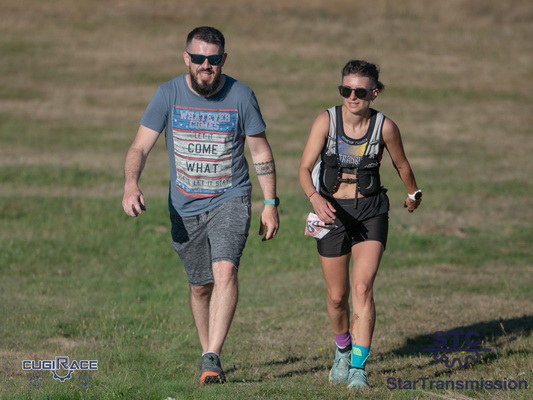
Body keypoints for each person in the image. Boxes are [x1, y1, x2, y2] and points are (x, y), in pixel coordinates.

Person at [122, 26, 279, 385]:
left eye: (213, 59)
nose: (205, 65)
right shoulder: (168, 94)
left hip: (231, 197)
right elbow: (139, 147)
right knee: (200, 286)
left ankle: (213, 356)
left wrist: (270, 202)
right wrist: (131, 183)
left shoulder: (241, 95)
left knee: (225, 270)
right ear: (186, 58)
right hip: (184, 206)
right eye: (198, 58)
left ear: (223, 59)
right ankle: (207, 352)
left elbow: (260, 151)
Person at [298, 60, 421, 389]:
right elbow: (304, 167)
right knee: (337, 297)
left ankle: (358, 368)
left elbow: (401, 164)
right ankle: (342, 350)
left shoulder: (385, 127)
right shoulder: (326, 120)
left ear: (374, 93)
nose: (352, 97)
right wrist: (315, 198)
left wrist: (413, 193)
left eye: (360, 92)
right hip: (331, 212)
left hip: (371, 211)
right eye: (346, 90)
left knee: (363, 288)